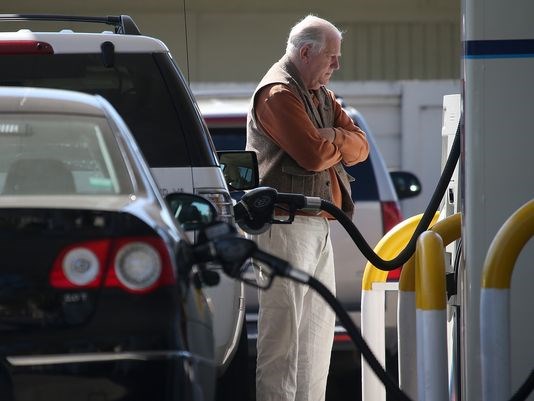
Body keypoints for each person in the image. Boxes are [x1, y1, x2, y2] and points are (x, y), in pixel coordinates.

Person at [245, 15, 370, 401]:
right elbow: (314, 156)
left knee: (317, 335)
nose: (337, 65)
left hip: (316, 225)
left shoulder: (320, 95)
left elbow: (362, 147)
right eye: (331, 57)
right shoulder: (279, 93)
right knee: (283, 336)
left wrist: (331, 135)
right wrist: (335, 142)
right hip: (285, 226)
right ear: (305, 52)